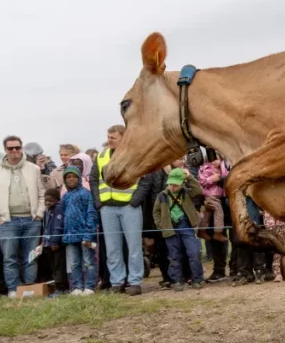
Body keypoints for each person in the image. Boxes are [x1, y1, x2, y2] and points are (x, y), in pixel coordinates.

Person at [91, 125, 151, 296]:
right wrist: (99, 202)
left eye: (113, 137)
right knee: (112, 249)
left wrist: (135, 201)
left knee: (134, 247)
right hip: (107, 208)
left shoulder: (135, 155)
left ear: (124, 138)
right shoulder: (101, 156)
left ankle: (135, 282)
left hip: (128, 207)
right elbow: (94, 179)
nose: (109, 140)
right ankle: (117, 282)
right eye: (108, 137)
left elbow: (146, 180)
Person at [0, 135, 46, 297]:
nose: (14, 151)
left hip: (31, 220)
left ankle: (29, 289)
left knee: (31, 257)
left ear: (21, 148)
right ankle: (13, 290)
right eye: (10, 148)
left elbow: (42, 193)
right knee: (9, 258)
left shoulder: (34, 169)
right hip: (7, 221)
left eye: (17, 147)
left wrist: (39, 213)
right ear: (5, 150)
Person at [153, 168, 205, 290]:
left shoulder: (187, 193)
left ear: (182, 183)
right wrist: (161, 226)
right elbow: (156, 212)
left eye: (176, 184)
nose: (172, 187)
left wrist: (189, 177)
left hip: (186, 225)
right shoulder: (162, 196)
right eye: (171, 184)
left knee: (194, 252)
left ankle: (197, 279)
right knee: (174, 256)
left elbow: (198, 191)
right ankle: (177, 281)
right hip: (170, 227)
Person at [60, 167, 100, 295]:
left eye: (74, 177)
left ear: (79, 178)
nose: (71, 179)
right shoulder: (65, 197)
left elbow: (91, 214)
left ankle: (89, 286)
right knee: (74, 263)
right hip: (70, 236)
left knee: (88, 262)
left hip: (85, 235)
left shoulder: (86, 194)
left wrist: (89, 234)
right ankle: (77, 286)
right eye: (68, 177)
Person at [40, 188, 68, 295]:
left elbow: (58, 227)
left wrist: (55, 241)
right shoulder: (47, 210)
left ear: (57, 200)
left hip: (56, 244)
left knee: (58, 266)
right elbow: (46, 227)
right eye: (46, 200)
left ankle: (61, 288)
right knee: (53, 266)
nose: (47, 203)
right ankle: (57, 286)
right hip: (48, 243)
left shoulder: (58, 209)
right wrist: (44, 241)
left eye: (50, 200)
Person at [197, 156, 228, 242]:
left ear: (221, 159)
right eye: (212, 159)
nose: (214, 161)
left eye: (216, 159)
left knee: (208, 213)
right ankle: (218, 233)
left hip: (218, 195)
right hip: (211, 195)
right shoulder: (207, 168)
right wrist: (212, 179)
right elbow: (202, 182)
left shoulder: (223, 168)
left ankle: (202, 230)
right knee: (219, 212)